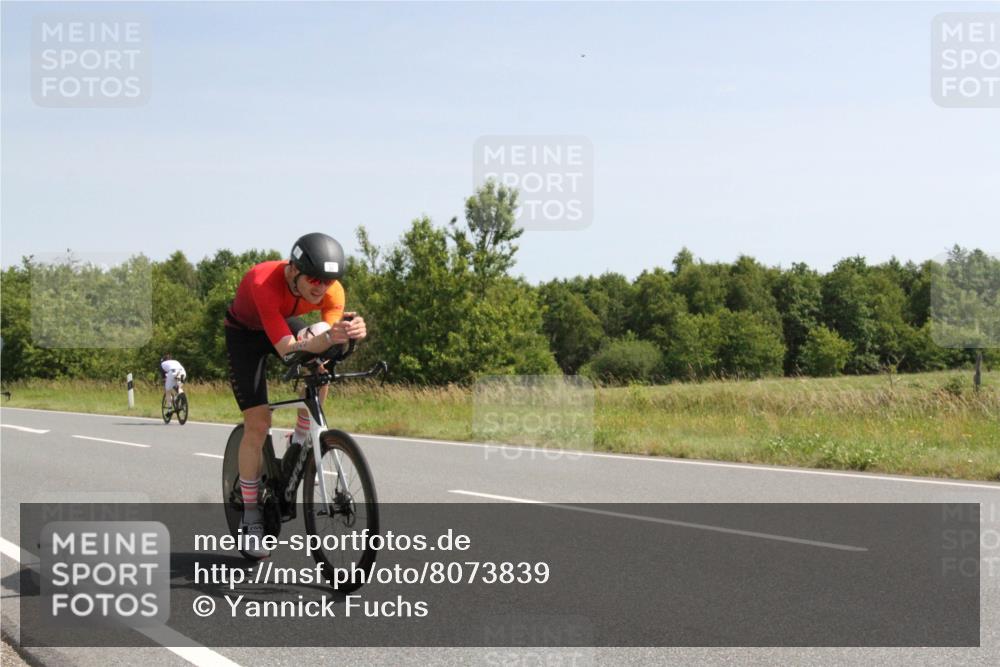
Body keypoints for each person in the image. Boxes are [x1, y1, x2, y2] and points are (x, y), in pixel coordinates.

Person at [224, 233, 367, 558]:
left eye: (328, 281)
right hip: (245, 334)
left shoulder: (333, 291)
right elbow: (288, 351)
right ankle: (251, 515)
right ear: (293, 270)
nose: (321, 287)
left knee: (321, 366)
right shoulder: (263, 282)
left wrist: (350, 334)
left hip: (281, 321)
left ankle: (301, 439)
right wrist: (322, 341)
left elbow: (328, 342)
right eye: (314, 279)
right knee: (258, 424)